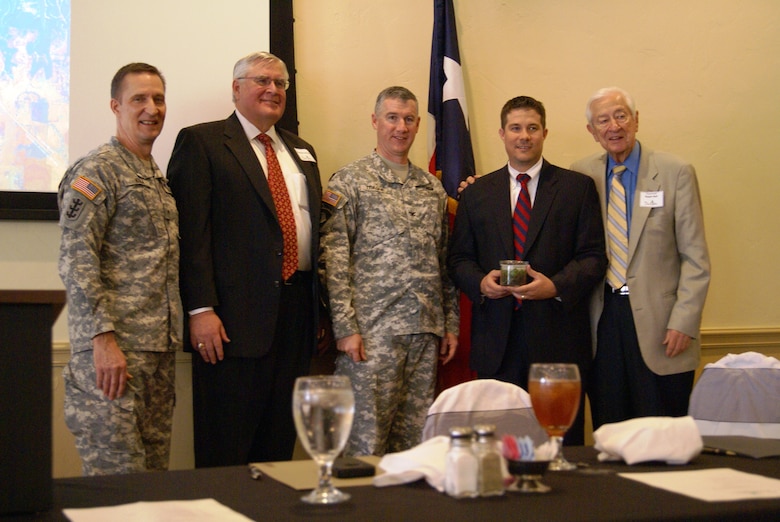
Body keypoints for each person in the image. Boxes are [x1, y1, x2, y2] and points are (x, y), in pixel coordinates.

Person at [167, 52, 322, 465]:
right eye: (261, 81)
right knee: (227, 446)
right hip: (230, 323)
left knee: (278, 445)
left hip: (295, 316)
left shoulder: (302, 151)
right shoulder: (202, 142)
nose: (273, 89)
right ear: (236, 89)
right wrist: (200, 308)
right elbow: (191, 235)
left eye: (281, 83)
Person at [448, 96, 607, 445]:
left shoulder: (575, 189)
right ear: (502, 134)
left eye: (532, 128)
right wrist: (481, 283)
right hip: (497, 345)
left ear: (544, 133)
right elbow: (459, 259)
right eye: (516, 128)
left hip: (558, 341)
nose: (524, 136)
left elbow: (594, 257)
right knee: (501, 447)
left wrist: (556, 286)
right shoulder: (477, 194)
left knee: (561, 446)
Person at [320, 86, 459, 456]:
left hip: (424, 333)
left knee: (413, 450)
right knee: (364, 446)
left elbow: (442, 262)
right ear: (375, 121)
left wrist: (450, 324)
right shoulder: (349, 181)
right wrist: (346, 329)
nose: (401, 127)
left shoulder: (432, 188)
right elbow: (333, 262)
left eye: (409, 119)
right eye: (392, 117)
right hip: (371, 336)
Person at [58, 63, 180, 475]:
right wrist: (103, 339)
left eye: (158, 98)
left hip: (155, 355)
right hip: (113, 357)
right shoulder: (97, 171)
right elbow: (76, 259)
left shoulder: (154, 175)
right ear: (116, 106)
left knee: (151, 487)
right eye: (139, 99)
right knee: (118, 490)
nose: (152, 108)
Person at [571, 87, 710, 429]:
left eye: (620, 116)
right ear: (592, 131)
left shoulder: (675, 172)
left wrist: (684, 320)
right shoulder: (580, 175)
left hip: (663, 326)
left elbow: (695, 258)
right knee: (611, 429)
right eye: (603, 120)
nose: (613, 126)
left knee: (663, 432)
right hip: (601, 321)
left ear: (636, 120)